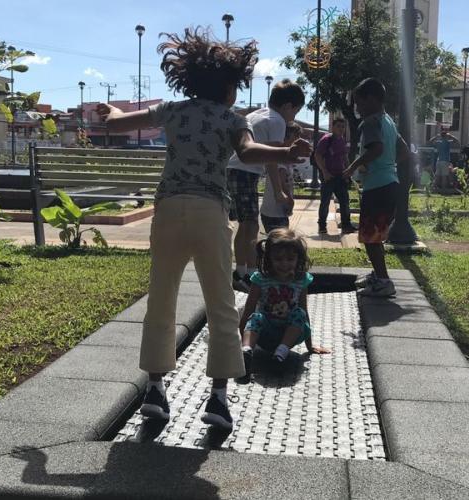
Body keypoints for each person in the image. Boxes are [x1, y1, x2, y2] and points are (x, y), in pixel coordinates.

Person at [97, 28, 311, 430]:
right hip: (210, 212)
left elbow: (121, 124)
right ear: (230, 86)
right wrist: (287, 153)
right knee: (220, 305)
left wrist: (109, 114)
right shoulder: (232, 118)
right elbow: (248, 152)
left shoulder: (172, 110)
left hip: (169, 211)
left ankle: (156, 390)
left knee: (161, 299)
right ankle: (217, 398)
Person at [228, 79, 305, 292]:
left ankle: (240, 273)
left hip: (234, 169)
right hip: (245, 171)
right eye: (296, 112)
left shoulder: (258, 114)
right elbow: (272, 159)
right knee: (251, 225)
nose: (293, 118)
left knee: (244, 225)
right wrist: (279, 192)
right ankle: (252, 276)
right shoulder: (277, 121)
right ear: (288, 106)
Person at [343, 78, 411, 298]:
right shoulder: (388, 121)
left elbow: (377, 149)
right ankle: (378, 275)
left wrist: (353, 167)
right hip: (390, 184)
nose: (357, 109)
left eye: (359, 103)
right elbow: (404, 151)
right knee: (376, 236)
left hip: (378, 186)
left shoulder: (371, 122)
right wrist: (387, 167)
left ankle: (383, 281)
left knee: (370, 237)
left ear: (371, 100)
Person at [237, 228, 330, 383]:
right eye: (278, 259)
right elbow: (248, 310)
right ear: (269, 259)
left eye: (290, 259)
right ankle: (246, 352)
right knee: (256, 317)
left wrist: (310, 346)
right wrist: (240, 341)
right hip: (264, 334)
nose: (284, 264)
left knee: (298, 314)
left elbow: (304, 312)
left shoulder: (301, 280)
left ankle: (280, 355)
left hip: (289, 334)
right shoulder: (260, 279)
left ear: (298, 259)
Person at [315, 118, 356, 234]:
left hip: (340, 176)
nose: (341, 129)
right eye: (338, 126)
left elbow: (345, 157)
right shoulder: (326, 139)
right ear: (333, 127)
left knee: (344, 201)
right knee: (325, 202)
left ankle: (346, 225)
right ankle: (322, 225)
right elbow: (317, 155)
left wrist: (349, 170)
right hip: (328, 176)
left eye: (343, 127)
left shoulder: (342, 140)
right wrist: (324, 172)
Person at [260, 122, 301, 233]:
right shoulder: (281, 159)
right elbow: (282, 183)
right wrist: (291, 201)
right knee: (280, 246)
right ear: (285, 137)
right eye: (296, 137)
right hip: (275, 213)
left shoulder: (283, 157)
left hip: (275, 211)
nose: (298, 140)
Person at [428, 127, 459, 192]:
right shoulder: (448, 142)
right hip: (445, 161)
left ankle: (432, 189)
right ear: (446, 136)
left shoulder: (438, 141)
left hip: (438, 161)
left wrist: (436, 137)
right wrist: (451, 136)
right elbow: (457, 141)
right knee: (444, 176)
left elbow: (430, 141)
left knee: (437, 176)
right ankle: (443, 189)